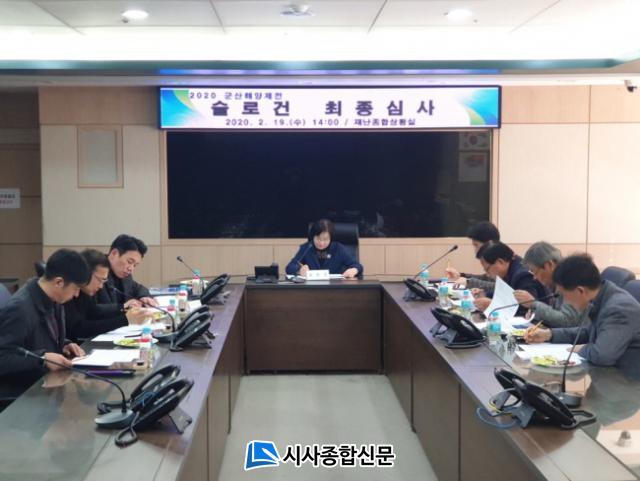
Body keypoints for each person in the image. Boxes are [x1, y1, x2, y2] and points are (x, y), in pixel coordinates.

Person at [0, 249, 90, 400]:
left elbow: (36, 337)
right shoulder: (20, 308)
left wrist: (64, 344)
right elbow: (3, 357)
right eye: (76, 289)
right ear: (59, 282)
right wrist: (42, 359)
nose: (76, 295)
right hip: (24, 395)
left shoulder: (54, 299)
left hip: (48, 386)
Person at [524, 254, 640, 367]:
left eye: (564, 295)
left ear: (580, 291)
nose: (566, 301)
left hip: (626, 376)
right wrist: (548, 334)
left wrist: (581, 348)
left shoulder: (618, 308)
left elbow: (602, 355)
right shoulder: (602, 296)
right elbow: (588, 332)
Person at [65, 249, 152, 343]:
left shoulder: (85, 291)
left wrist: (124, 308)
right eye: (100, 280)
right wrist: (125, 320)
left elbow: (94, 311)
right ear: (86, 273)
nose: (101, 286)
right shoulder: (67, 292)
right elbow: (78, 329)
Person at [513, 241, 584, 327]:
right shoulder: (558, 280)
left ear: (549, 265)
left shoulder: (570, 279)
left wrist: (534, 304)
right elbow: (557, 315)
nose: (535, 277)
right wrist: (535, 315)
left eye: (535, 271)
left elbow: (568, 321)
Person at [473, 241, 548, 313]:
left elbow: (525, 309)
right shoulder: (510, 267)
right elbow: (504, 294)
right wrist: (485, 294)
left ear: (500, 262)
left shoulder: (522, 276)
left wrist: (493, 304)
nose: (487, 274)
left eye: (487, 269)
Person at [285, 219, 363, 278]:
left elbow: (358, 266)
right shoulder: (307, 247)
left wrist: (354, 270)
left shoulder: (338, 249)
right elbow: (289, 268)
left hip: (334, 288)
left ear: (331, 238)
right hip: (312, 288)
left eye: (325, 239)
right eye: (318, 238)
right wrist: (299, 271)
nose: (321, 243)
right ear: (313, 236)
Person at [95, 234, 158, 307]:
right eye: (129, 262)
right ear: (114, 253)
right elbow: (93, 309)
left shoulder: (125, 274)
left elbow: (137, 288)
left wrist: (144, 297)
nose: (131, 268)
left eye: (135, 265)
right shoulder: (96, 271)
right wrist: (123, 307)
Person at [445, 221, 499, 291]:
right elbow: (486, 278)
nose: (475, 250)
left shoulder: (500, 261)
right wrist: (461, 275)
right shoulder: (492, 259)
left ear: (489, 243)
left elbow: (501, 287)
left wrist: (469, 282)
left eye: (476, 245)